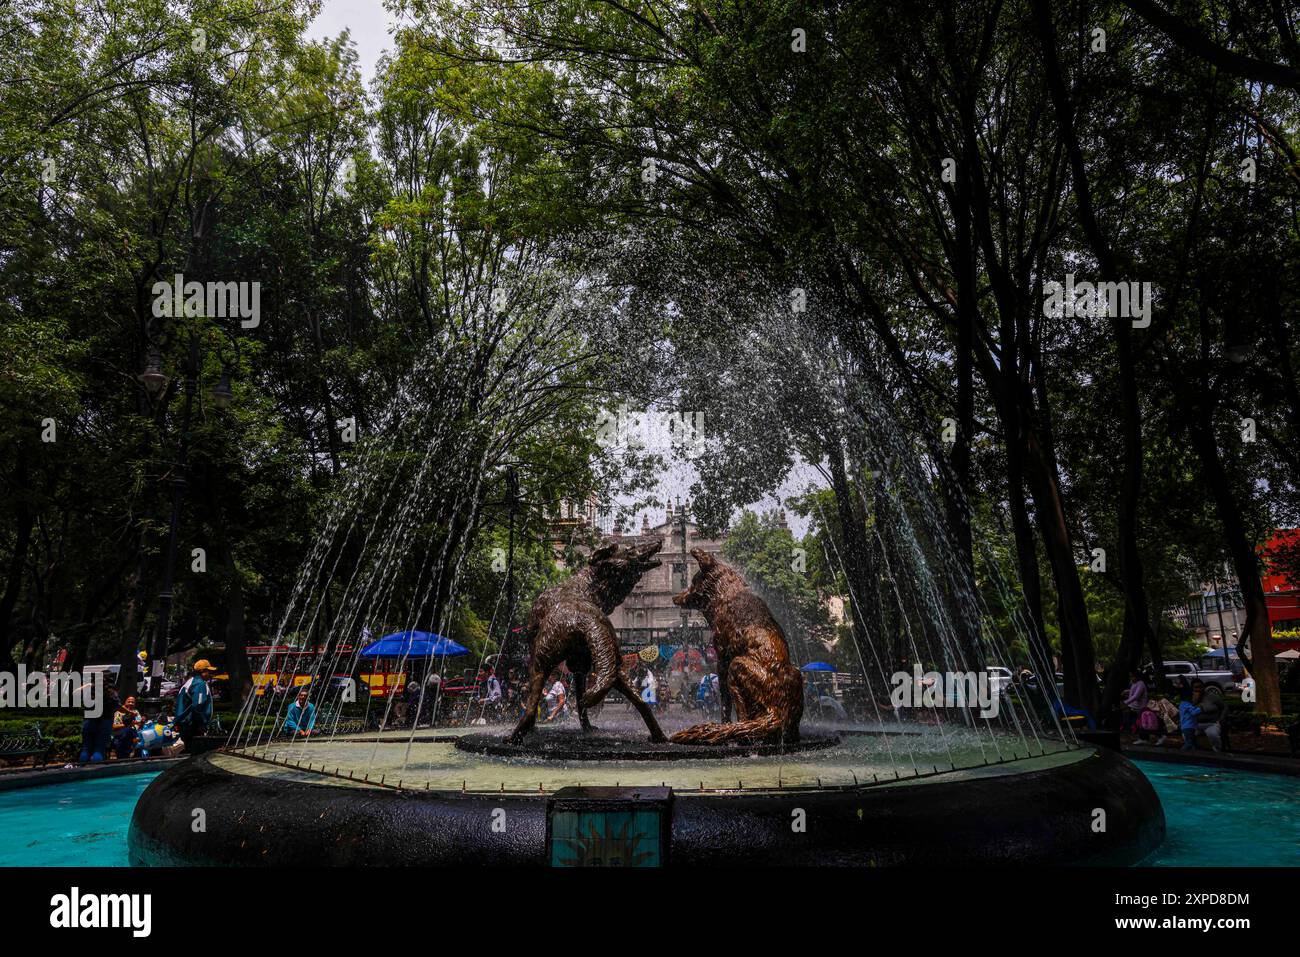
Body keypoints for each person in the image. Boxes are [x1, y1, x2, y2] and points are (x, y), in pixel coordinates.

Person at [175, 659, 216, 749]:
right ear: (202, 672)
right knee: (193, 753)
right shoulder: (199, 684)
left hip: (186, 723)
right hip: (192, 725)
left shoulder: (192, 681)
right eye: (208, 671)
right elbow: (198, 706)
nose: (210, 674)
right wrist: (202, 724)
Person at [1177, 686, 1202, 751]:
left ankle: (1194, 754)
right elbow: (1194, 712)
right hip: (1189, 727)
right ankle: (1180, 753)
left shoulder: (1182, 704)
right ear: (1188, 697)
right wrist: (1201, 708)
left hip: (1185, 727)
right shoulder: (1187, 704)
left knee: (1193, 743)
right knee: (1189, 743)